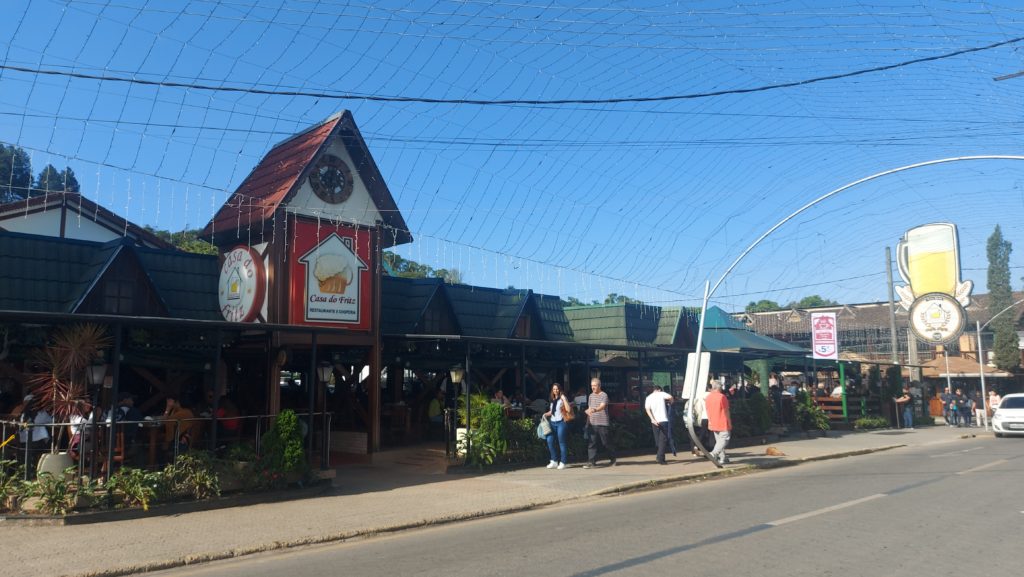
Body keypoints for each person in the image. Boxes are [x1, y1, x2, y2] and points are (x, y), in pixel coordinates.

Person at [583, 377, 615, 468]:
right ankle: (591, 462)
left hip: (603, 423)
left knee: (606, 442)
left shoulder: (604, 395)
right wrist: (587, 418)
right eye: (591, 386)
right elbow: (590, 408)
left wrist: (594, 410)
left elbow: (602, 406)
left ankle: (613, 459)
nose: (592, 388)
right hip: (592, 423)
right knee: (592, 443)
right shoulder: (590, 396)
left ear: (599, 386)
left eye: (594, 386)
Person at [542, 383, 571, 470]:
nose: (555, 390)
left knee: (561, 442)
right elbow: (552, 411)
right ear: (552, 390)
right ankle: (554, 461)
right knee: (549, 440)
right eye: (554, 389)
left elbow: (568, 410)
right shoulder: (553, 399)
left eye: (557, 389)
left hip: (561, 422)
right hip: (552, 422)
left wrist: (564, 399)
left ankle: (563, 462)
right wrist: (545, 414)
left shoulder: (562, 399)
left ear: (560, 389)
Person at [644, 384, 674, 465]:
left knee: (658, 440)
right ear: (659, 390)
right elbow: (670, 397)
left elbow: (647, 409)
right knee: (663, 440)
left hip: (654, 421)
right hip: (663, 420)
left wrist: (652, 419)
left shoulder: (648, 397)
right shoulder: (662, 394)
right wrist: (670, 403)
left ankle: (659, 457)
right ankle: (661, 459)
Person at [705, 381, 732, 466]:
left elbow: (707, 410)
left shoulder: (708, 397)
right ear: (719, 387)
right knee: (724, 439)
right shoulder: (722, 397)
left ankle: (723, 458)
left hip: (713, 421)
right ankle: (713, 453)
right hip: (722, 421)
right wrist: (729, 422)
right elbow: (726, 411)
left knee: (719, 441)